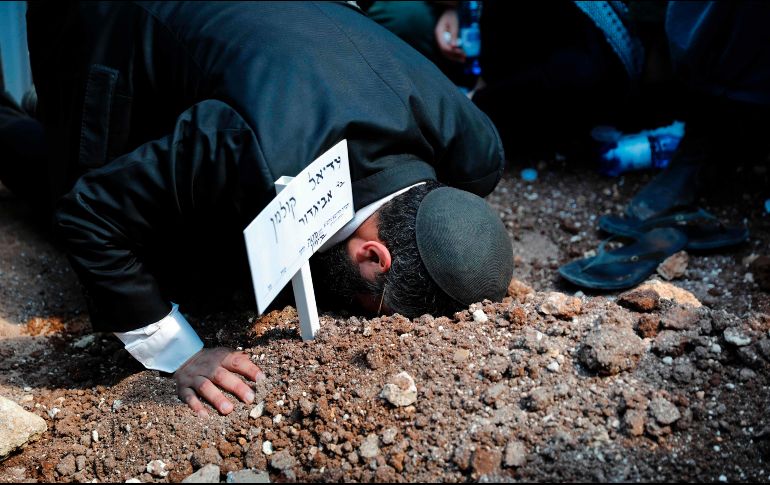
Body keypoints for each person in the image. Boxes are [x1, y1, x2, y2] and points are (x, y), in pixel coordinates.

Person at [0, 2, 513, 416]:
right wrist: (179, 351)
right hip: (108, 20)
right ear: (375, 257)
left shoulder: (476, 147)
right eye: (367, 308)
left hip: (265, 33)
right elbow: (92, 214)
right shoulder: (250, 148)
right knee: (82, 183)